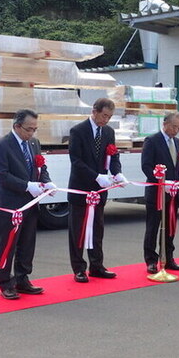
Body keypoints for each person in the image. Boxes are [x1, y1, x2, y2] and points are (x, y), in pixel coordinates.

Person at [0, 109, 57, 300]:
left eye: (35, 129)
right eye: (29, 129)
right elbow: (2, 175)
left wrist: (46, 181)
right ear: (17, 126)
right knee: (8, 244)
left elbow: (40, 166)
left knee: (27, 243)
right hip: (10, 204)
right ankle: (5, 282)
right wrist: (27, 186)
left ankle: (22, 278)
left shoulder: (33, 143)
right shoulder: (2, 145)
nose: (32, 133)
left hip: (31, 203)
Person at [67, 98, 126, 283]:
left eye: (109, 117)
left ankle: (97, 265)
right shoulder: (78, 131)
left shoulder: (108, 132)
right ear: (94, 111)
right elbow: (76, 161)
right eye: (103, 115)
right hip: (81, 188)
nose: (105, 120)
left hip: (100, 191)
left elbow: (113, 154)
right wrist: (96, 176)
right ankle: (78, 268)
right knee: (78, 230)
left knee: (98, 229)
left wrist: (117, 173)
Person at [141, 112, 179, 273]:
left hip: (174, 192)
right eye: (173, 126)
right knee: (153, 226)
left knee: (170, 226)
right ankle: (151, 260)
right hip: (157, 192)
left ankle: (169, 257)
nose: (176, 130)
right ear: (165, 124)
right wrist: (161, 182)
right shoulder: (152, 141)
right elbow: (146, 166)